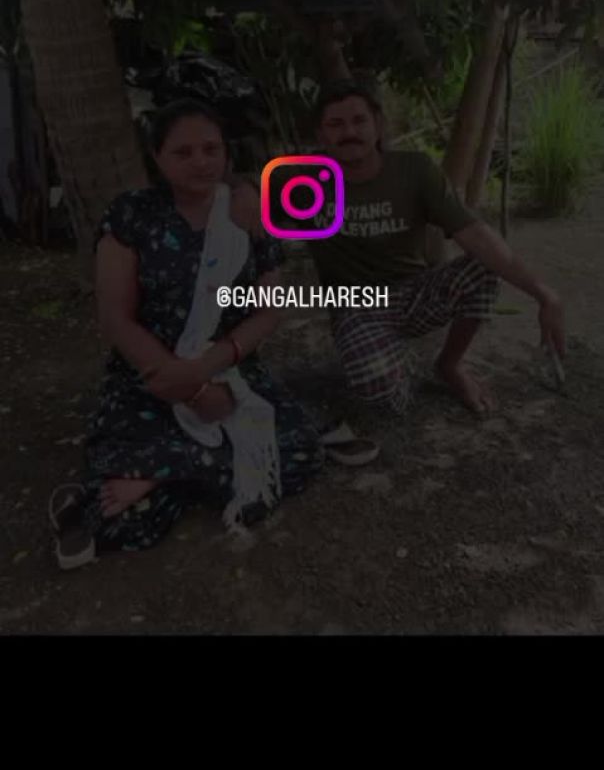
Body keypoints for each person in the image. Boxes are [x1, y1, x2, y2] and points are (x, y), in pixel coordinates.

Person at [49, 99, 323, 570]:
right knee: (125, 522)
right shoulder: (132, 215)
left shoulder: (247, 213)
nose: (200, 161)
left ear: (226, 153)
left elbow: (271, 308)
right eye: (183, 152)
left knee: (299, 454)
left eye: (211, 149)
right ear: (157, 157)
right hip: (149, 373)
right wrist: (186, 385)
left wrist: (206, 370)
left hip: (230, 370)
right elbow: (115, 317)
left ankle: (160, 472)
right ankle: (177, 471)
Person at [303, 80, 566, 455]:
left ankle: (449, 364)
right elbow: (240, 189)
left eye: (359, 120)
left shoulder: (414, 169)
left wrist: (543, 294)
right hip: (355, 306)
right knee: (380, 391)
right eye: (336, 124)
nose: (349, 132)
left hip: (416, 292)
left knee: (483, 268)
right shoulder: (301, 180)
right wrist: (245, 194)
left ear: (378, 125)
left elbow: (474, 233)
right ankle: (387, 358)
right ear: (320, 135)